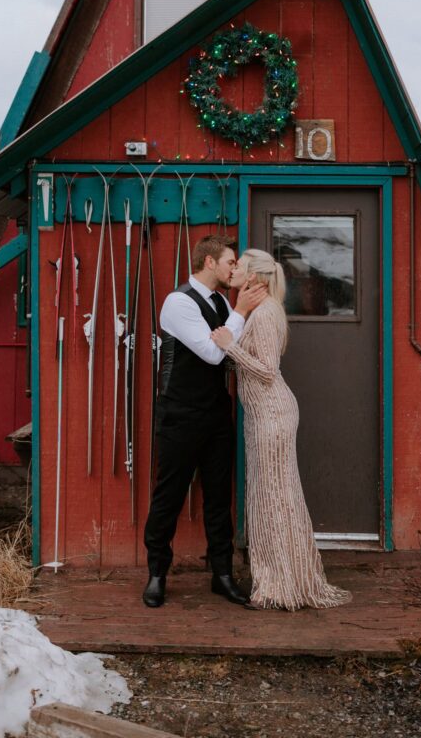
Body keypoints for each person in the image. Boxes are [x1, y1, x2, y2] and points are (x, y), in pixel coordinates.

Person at [210, 248, 352, 612]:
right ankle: (277, 579)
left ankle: (281, 586)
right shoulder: (257, 311)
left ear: (254, 277)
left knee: (274, 498)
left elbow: (267, 370)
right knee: (269, 496)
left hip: (273, 414)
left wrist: (230, 348)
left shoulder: (268, 313)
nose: (234, 268)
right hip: (261, 415)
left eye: (239, 264)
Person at [142, 234, 267, 608]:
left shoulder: (220, 303)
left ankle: (222, 575)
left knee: (218, 498)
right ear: (209, 262)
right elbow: (214, 354)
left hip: (216, 415)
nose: (235, 269)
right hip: (180, 414)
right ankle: (157, 574)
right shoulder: (178, 302)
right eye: (230, 262)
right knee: (169, 496)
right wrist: (241, 311)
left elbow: (231, 351)